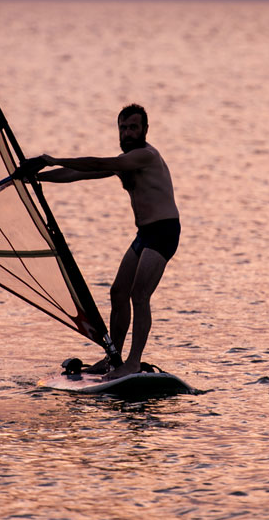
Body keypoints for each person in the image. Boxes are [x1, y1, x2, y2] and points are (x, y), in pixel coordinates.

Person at [20, 105, 179, 379]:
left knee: (139, 295)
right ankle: (112, 358)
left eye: (133, 127)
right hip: (144, 234)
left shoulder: (144, 156)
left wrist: (52, 159)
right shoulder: (125, 161)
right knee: (118, 292)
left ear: (145, 130)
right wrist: (34, 177)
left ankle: (133, 362)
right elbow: (77, 174)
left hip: (164, 231)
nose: (128, 133)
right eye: (123, 128)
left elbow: (99, 164)